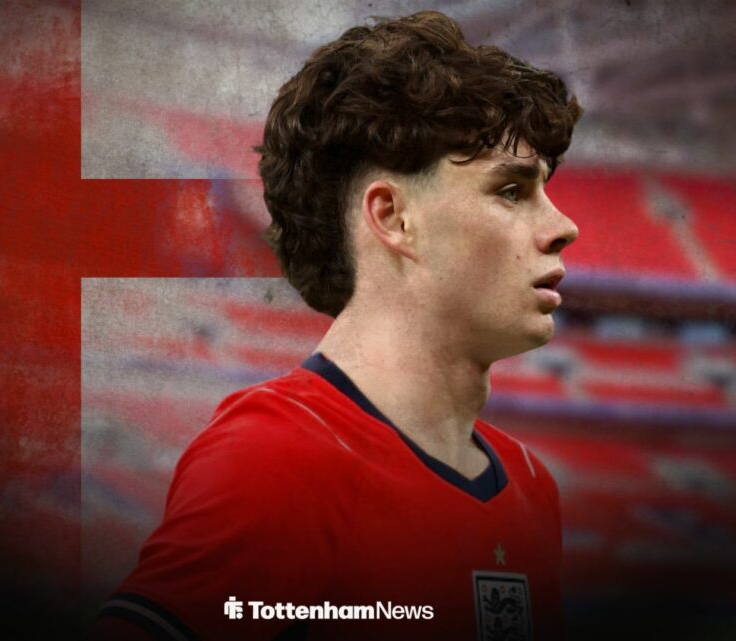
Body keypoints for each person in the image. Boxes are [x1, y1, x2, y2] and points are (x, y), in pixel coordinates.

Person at [91, 10, 581, 641]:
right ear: (394, 217)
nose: (564, 226)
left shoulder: (532, 488)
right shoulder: (276, 456)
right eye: (511, 191)